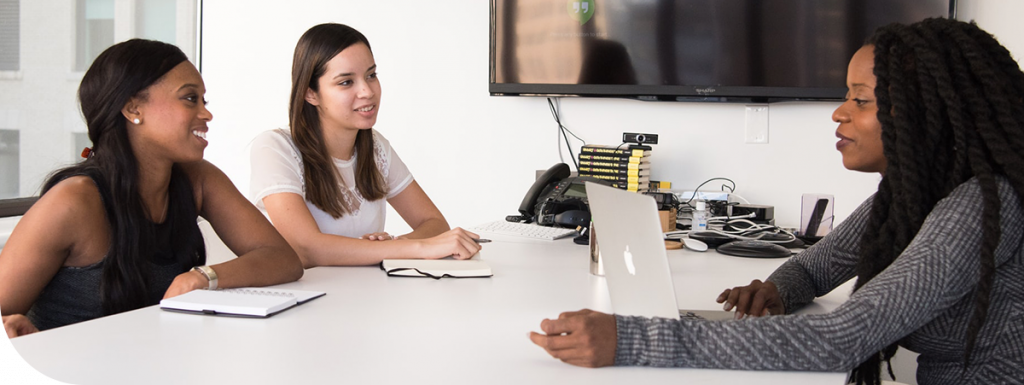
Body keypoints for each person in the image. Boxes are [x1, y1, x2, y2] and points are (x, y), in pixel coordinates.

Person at [529, 17, 1024, 385]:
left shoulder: (982, 207)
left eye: (861, 99)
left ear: (924, 112)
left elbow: (842, 340)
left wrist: (633, 340)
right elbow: (813, 269)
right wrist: (778, 290)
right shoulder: (908, 199)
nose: (839, 113)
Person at [0, 39, 304, 338]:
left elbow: (282, 259)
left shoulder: (197, 179)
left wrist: (203, 277)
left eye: (203, 100)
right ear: (134, 109)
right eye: (189, 98)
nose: (206, 114)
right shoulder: (74, 201)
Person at [249, 23, 482, 267]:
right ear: (311, 94)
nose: (367, 91)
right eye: (346, 82)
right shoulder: (275, 148)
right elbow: (307, 249)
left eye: (371, 75)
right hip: (306, 300)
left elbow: (434, 223)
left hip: (367, 296)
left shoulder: (376, 146)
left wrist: (390, 246)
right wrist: (405, 248)